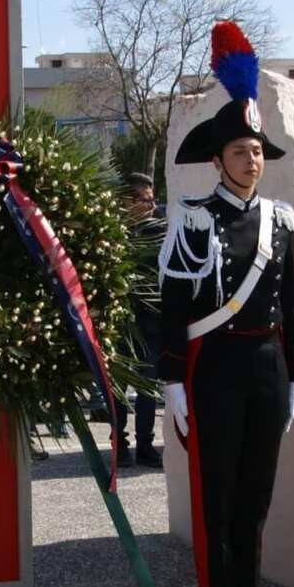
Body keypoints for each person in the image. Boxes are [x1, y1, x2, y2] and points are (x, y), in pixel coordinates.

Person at [159, 21, 294, 587]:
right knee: (216, 498)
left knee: (256, 498)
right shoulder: (193, 220)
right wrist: (172, 381)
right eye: (241, 151)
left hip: (267, 369)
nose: (252, 159)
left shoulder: (280, 220)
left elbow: (290, 305)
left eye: (256, 151)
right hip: (214, 370)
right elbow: (172, 307)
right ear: (217, 160)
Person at [119, 172, 165, 469]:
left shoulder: (158, 231)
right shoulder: (110, 233)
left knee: (148, 387)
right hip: (121, 321)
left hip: (150, 321)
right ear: (127, 201)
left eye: (152, 200)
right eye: (144, 200)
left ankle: (145, 445)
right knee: (118, 388)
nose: (151, 206)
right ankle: (119, 445)